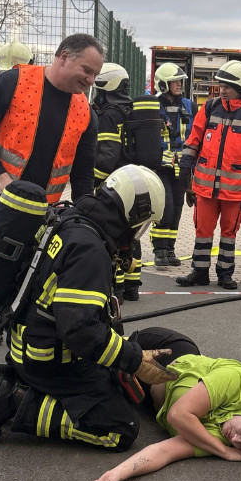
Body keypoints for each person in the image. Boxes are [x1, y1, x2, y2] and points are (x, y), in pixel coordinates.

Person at [0, 165, 173, 450]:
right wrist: (133, 359)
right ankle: (17, 399)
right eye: (142, 225)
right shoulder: (89, 248)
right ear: (134, 214)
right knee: (121, 428)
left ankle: (20, 383)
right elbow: (80, 331)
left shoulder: (72, 218)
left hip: (31, 347)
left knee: (116, 383)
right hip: (49, 363)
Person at [0, 33, 103, 394]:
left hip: (43, 211)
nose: (90, 80)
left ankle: (18, 362)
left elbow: (83, 175)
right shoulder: (14, 82)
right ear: (63, 57)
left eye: (96, 74)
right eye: (87, 70)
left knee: (29, 286)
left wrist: (88, 217)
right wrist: (2, 179)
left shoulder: (85, 111)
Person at [91, 328, 241, 481]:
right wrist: (222, 451)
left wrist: (117, 474)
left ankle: (120, 374)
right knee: (100, 345)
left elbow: (164, 451)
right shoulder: (237, 381)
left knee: (100, 380)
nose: (235, 439)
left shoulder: (224, 439)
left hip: (149, 393)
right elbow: (178, 415)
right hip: (165, 351)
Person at [175, 60, 241, 290]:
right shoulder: (209, 108)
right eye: (221, 85)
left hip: (235, 190)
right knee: (202, 231)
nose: (222, 89)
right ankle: (199, 271)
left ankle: (225, 274)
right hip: (206, 187)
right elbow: (194, 138)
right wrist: (186, 163)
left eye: (226, 85)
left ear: (239, 87)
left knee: (229, 234)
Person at [91, 62, 143, 302]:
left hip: (115, 184)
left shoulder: (109, 115)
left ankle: (117, 289)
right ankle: (133, 286)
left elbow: (107, 154)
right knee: (131, 235)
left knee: (112, 234)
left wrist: (94, 182)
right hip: (135, 180)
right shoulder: (130, 110)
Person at [150, 63, 194, 267]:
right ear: (163, 83)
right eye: (174, 81)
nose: (179, 84)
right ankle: (159, 249)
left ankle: (170, 249)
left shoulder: (189, 106)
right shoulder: (152, 106)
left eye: (179, 81)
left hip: (181, 167)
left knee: (177, 208)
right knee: (165, 207)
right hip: (160, 166)